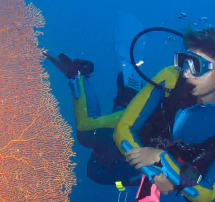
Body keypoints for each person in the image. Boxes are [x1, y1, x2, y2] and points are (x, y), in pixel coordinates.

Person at [114, 27, 215, 202]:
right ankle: (98, 84)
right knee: (87, 133)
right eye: (184, 61)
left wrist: (163, 160)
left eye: (197, 65)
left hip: (159, 158)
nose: (186, 73)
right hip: (143, 138)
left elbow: (207, 194)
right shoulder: (170, 77)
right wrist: (155, 173)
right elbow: (123, 129)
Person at [46, 12, 146, 186]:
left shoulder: (106, 144)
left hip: (137, 121)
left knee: (123, 101)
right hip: (136, 124)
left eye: (101, 158)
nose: (101, 155)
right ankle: (78, 75)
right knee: (88, 130)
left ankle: (81, 75)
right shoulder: (102, 142)